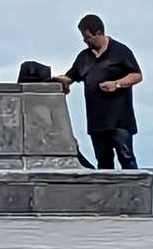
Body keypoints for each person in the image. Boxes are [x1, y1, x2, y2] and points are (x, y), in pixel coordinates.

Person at [51, 14, 143, 169]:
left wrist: (117, 84)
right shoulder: (83, 57)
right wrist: (55, 80)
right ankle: (108, 193)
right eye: (83, 37)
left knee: (126, 158)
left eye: (88, 37)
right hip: (97, 123)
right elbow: (69, 78)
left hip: (120, 121)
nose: (85, 40)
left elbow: (137, 75)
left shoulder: (120, 51)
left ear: (99, 33)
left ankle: (134, 192)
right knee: (103, 161)